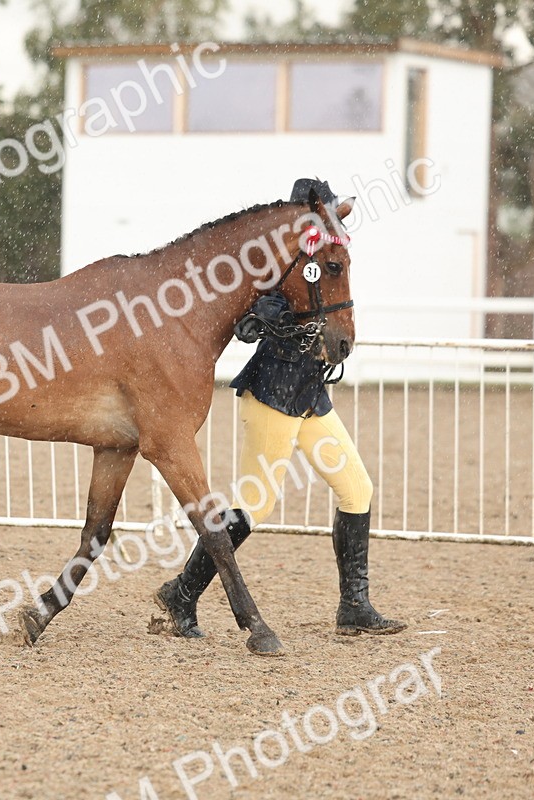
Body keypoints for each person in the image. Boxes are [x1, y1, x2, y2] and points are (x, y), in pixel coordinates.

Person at [154, 178, 406, 640]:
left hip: (309, 397)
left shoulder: (318, 264)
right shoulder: (277, 268)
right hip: (272, 397)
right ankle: (182, 594)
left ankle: (354, 606)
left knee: (357, 488)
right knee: (256, 504)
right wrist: (276, 319)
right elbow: (252, 322)